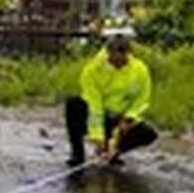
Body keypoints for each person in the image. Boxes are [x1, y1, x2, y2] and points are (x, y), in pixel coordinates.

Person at [65, 31, 158, 167]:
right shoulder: (92, 70)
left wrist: (128, 119)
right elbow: (94, 107)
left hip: (120, 118)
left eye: (122, 60)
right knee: (73, 104)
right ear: (108, 53)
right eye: (114, 60)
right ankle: (77, 154)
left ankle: (114, 152)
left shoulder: (140, 70)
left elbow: (142, 100)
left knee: (149, 133)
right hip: (99, 115)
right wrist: (98, 137)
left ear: (128, 53)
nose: (118, 64)